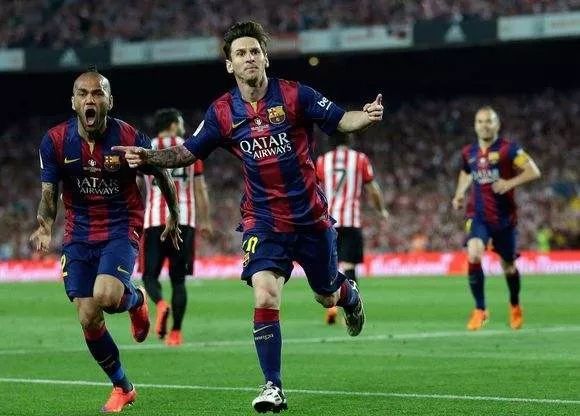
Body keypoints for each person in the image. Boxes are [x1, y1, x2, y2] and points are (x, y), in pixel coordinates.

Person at [113, 21, 383, 413]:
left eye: (254, 51)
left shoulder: (296, 95)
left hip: (310, 217)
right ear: (230, 65)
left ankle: (349, 295)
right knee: (265, 292)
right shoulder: (222, 112)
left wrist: (366, 116)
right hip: (263, 219)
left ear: (265, 57)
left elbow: (342, 119)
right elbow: (188, 152)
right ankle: (273, 386)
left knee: (326, 292)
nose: (249, 57)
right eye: (240, 53)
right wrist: (148, 156)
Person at [29, 68, 181, 413]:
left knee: (108, 297)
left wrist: (173, 214)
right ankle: (123, 387)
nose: (90, 99)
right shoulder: (55, 141)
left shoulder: (129, 138)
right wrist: (44, 226)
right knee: (88, 316)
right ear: (73, 102)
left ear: (109, 101)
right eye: (83, 94)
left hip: (120, 225)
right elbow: (49, 193)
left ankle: (135, 299)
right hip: (79, 233)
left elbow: (161, 174)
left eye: (98, 93)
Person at [452, 106, 541, 331]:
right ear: (475, 126)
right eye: (480, 121)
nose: (484, 125)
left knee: (508, 267)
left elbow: (533, 171)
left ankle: (515, 305)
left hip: (504, 218)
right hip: (478, 216)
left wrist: (509, 183)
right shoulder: (469, 152)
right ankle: (480, 309)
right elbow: (466, 172)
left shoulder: (509, 149)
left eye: (489, 121)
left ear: (497, 125)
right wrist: (459, 193)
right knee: (474, 254)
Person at [139, 108, 213, 346]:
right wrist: (206, 220)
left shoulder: (146, 148)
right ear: (172, 125)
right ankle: (176, 334)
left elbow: (138, 185)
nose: (182, 127)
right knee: (178, 280)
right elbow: (200, 188)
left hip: (154, 220)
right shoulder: (191, 148)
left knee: (149, 276)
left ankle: (161, 304)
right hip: (184, 220)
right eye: (179, 123)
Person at [315, 132, 389, 325]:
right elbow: (373, 189)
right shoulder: (360, 159)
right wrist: (381, 210)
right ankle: (349, 312)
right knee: (348, 266)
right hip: (351, 220)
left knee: (330, 266)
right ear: (350, 140)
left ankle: (331, 307)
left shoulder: (322, 161)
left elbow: (315, 190)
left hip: (328, 221)